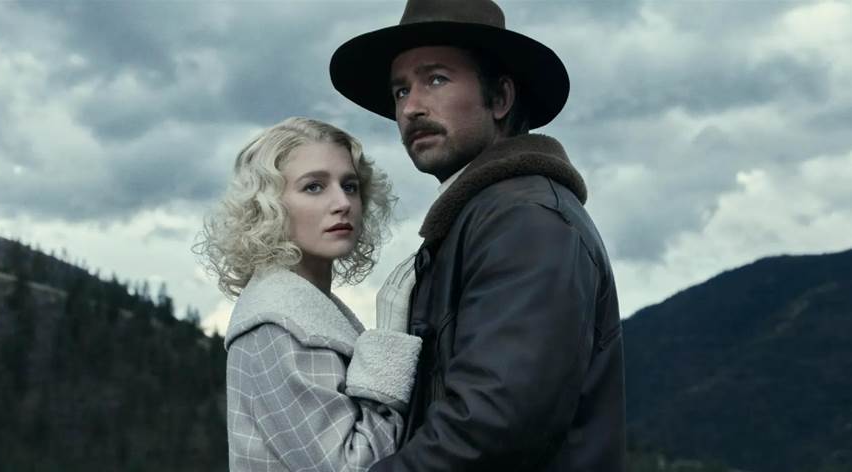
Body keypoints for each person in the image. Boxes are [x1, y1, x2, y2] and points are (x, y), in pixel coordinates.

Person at [330, 0, 627, 470]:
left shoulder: (526, 221)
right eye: (401, 90)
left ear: (501, 98)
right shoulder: (484, 219)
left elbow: (493, 424)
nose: (411, 108)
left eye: (436, 79)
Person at [195, 117, 422, 471]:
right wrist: (390, 336)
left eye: (350, 186)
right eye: (314, 187)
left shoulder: (306, 310)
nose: (342, 202)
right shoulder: (277, 325)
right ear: (268, 205)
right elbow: (355, 467)